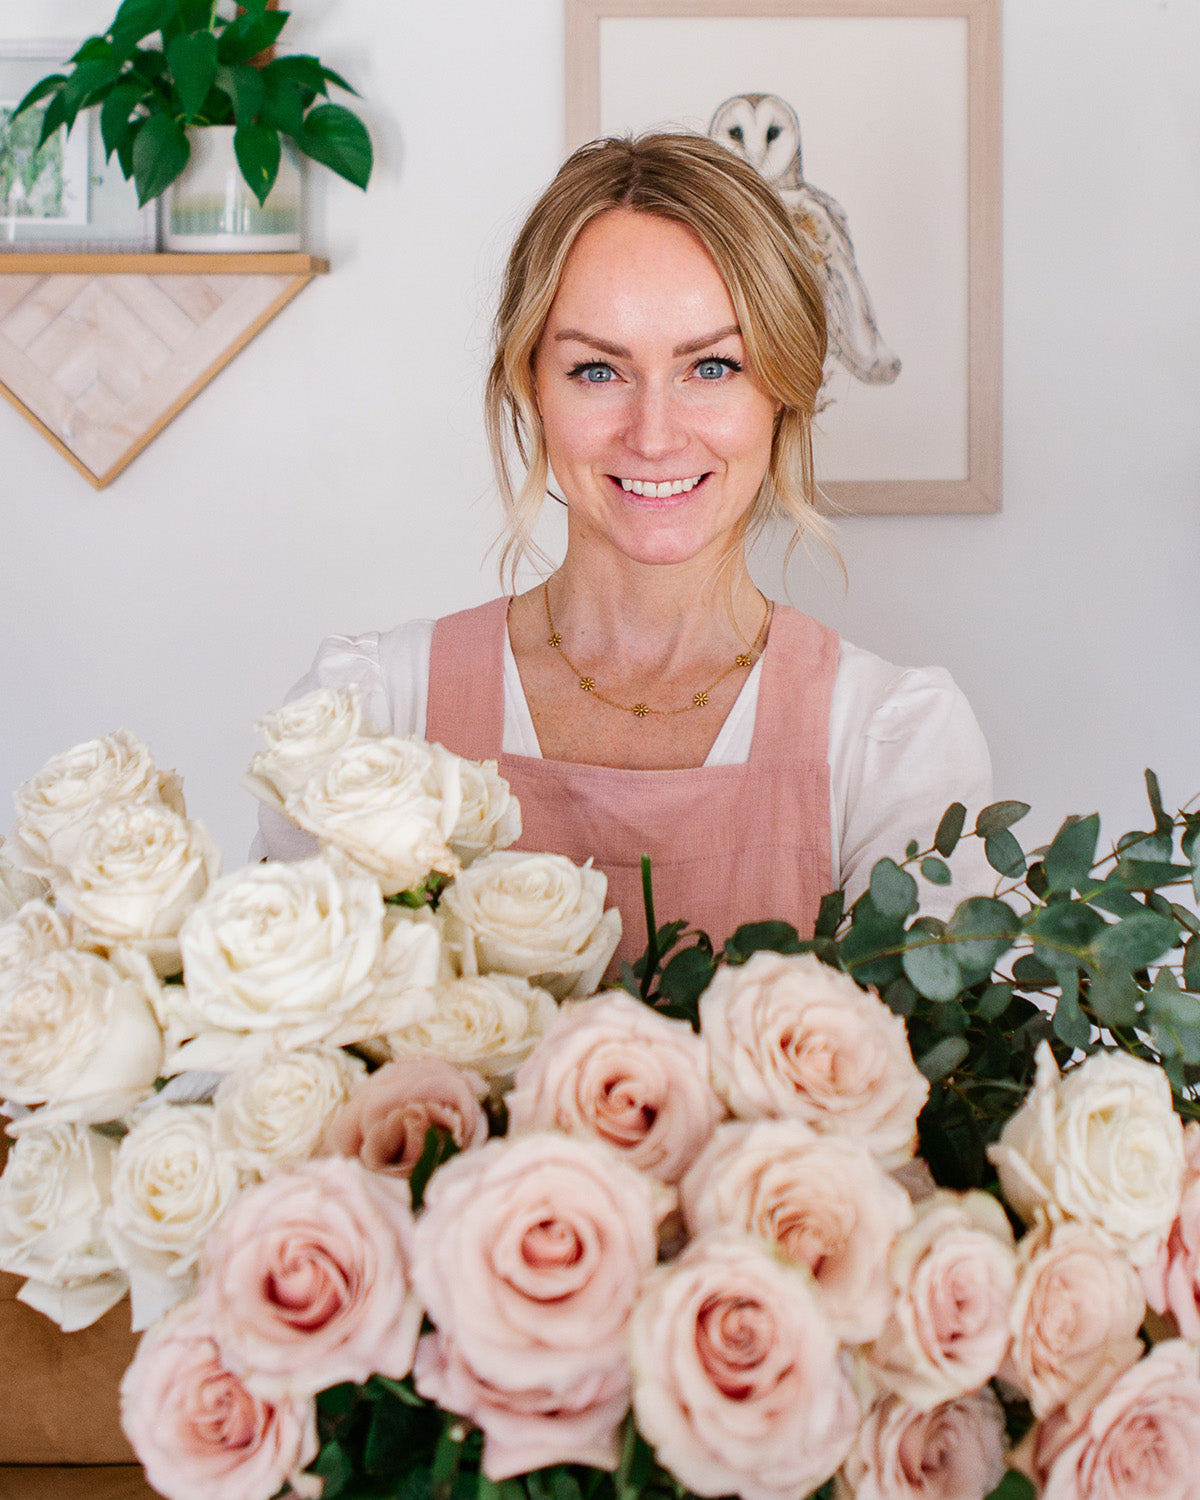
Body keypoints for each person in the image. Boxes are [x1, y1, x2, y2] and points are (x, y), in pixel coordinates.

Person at [256, 132, 992, 963]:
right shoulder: (371, 715)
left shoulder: (889, 741)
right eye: (598, 371)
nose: (653, 434)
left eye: (712, 367)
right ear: (528, 385)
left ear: (784, 391)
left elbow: (925, 1079)